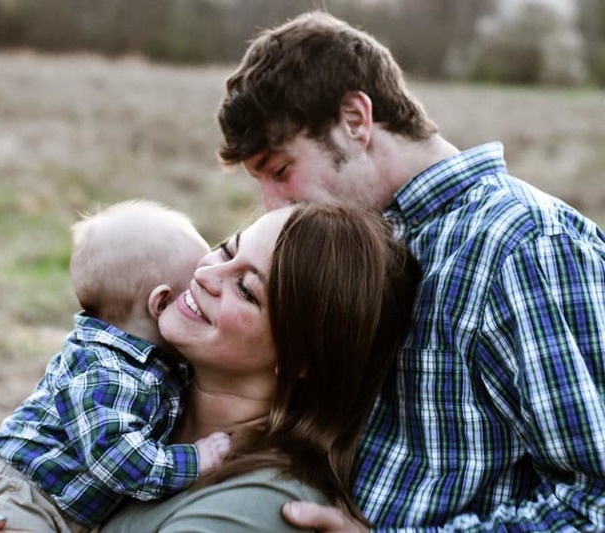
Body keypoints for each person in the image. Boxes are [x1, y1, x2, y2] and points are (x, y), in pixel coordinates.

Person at [217, 10, 605, 531]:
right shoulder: (360, 244)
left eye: (281, 170)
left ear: (355, 119)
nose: (271, 204)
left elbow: (594, 501)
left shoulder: (525, 247)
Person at [0, 201, 421, 532]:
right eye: (227, 249)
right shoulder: (144, 392)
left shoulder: (255, 507)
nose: (206, 275)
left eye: (246, 289)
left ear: (300, 362)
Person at [0, 200, 230, 532]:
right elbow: (120, 462)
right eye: (195, 290)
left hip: (55, 504)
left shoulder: (157, 363)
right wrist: (196, 459)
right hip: (15, 497)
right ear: (161, 302)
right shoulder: (105, 373)